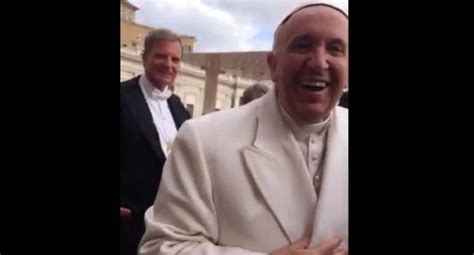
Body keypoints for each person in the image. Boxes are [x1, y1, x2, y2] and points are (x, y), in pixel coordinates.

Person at [140, 2, 348, 255]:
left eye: (336, 49)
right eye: (302, 46)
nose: (319, 62)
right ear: (273, 65)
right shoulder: (202, 139)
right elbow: (161, 248)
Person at [120, 28, 191, 255]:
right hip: (128, 219)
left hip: (169, 223)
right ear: (145, 58)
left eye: (175, 59)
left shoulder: (178, 107)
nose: (168, 64)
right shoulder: (122, 97)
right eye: (161, 56)